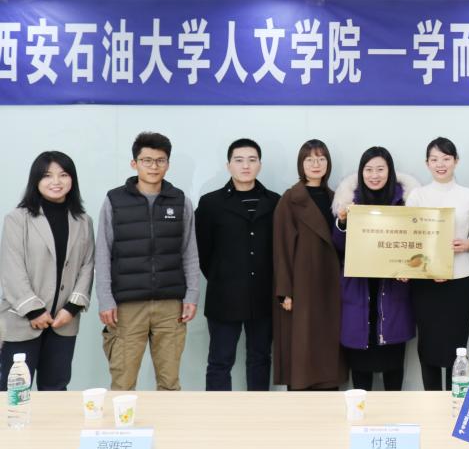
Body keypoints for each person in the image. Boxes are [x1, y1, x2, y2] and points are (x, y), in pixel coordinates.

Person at [95, 132, 200, 391]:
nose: (154, 166)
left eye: (160, 160)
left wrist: (192, 295)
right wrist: (105, 299)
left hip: (170, 306)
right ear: (134, 163)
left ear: (168, 164)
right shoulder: (114, 200)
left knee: (169, 383)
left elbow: (189, 252)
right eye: (147, 160)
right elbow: (103, 252)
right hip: (127, 307)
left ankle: (168, 420)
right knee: (123, 382)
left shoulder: (180, 201)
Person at [0, 151, 94, 391]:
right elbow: (11, 268)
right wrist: (34, 310)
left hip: (63, 321)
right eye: (47, 175)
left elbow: (87, 265)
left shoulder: (83, 221)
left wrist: (71, 308)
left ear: (72, 179)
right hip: (22, 319)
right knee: (13, 391)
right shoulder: (17, 219)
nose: (56, 181)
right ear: (36, 180)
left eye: (63, 175)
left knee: (56, 389)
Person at [196, 138, 281, 391]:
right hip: (224, 296)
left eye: (252, 160)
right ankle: (218, 414)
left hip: (264, 295)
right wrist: (222, 276)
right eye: (239, 160)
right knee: (220, 361)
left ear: (260, 165)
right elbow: (202, 252)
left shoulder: (275, 202)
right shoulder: (210, 203)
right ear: (228, 165)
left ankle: (258, 412)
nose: (246, 166)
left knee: (260, 358)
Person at [332, 147, 415, 390]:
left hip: (393, 290)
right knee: (360, 368)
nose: (374, 175)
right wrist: (342, 222)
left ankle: (394, 412)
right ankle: (360, 413)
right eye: (368, 170)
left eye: (380, 169)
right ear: (361, 173)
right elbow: (339, 246)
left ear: (390, 171)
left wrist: (409, 270)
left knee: (393, 364)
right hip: (359, 290)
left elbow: (415, 246)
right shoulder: (349, 201)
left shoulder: (406, 202)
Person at [404, 137, 469, 390]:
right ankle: (432, 399)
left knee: (457, 345)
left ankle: (455, 398)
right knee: (428, 344)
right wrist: (430, 269)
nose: (440, 164)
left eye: (446, 158)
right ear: (427, 163)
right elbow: (410, 237)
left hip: (460, 278)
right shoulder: (418, 195)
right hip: (426, 282)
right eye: (434, 159)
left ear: (456, 161)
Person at [272, 139, 346, 390]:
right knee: (303, 346)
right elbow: (281, 248)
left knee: (328, 344)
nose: (316, 164)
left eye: (321, 159)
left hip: (333, 283)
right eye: (310, 159)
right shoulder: (290, 199)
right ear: (301, 164)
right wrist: (285, 291)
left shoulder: (337, 199)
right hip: (302, 284)